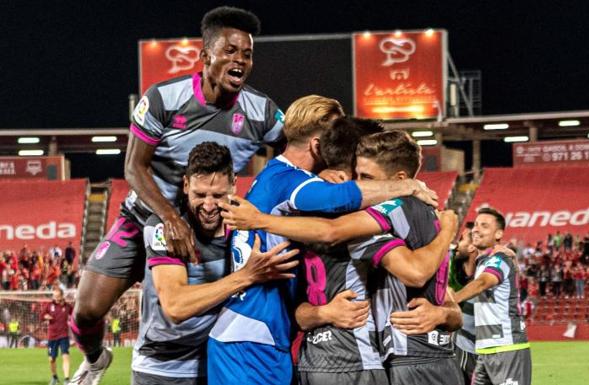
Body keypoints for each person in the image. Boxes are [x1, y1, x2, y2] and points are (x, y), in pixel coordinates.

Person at [68, 6, 286, 385]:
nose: (240, 61)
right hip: (145, 219)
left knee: (203, 315)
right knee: (86, 310)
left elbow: (295, 153)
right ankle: (96, 357)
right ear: (205, 56)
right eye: (230, 51)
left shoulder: (262, 112)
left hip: (209, 229)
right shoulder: (164, 99)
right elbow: (134, 168)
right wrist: (169, 217)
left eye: (247, 54)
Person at [207, 97, 438, 385]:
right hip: (254, 336)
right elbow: (337, 203)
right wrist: (408, 186)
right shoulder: (292, 182)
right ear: (318, 146)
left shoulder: (277, 176)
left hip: (255, 331)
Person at [132, 142, 298, 385]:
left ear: (233, 185)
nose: (209, 206)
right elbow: (176, 306)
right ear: (186, 185)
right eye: (200, 195)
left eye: (218, 196)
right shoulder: (166, 227)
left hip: (217, 364)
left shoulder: (247, 227)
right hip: (162, 369)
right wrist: (246, 276)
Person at [455, 207, 532, 385]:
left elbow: (482, 283)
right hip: (485, 349)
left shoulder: (500, 260)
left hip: (507, 347)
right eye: (475, 225)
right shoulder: (483, 262)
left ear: (498, 234)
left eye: (484, 226)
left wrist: (451, 301)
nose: (476, 229)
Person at [448, 223, 479, 384]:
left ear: (473, 246)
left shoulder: (486, 277)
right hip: (461, 347)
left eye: (462, 239)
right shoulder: (453, 273)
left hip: (482, 350)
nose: (457, 245)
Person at [43, 287, 73, 385]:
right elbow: (42, 315)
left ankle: (67, 379)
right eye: (54, 296)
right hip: (52, 337)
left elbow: (74, 315)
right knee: (51, 359)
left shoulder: (68, 306)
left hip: (64, 336)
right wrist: (45, 316)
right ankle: (54, 377)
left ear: (61, 296)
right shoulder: (49, 305)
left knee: (65, 356)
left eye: (57, 296)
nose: (55, 298)